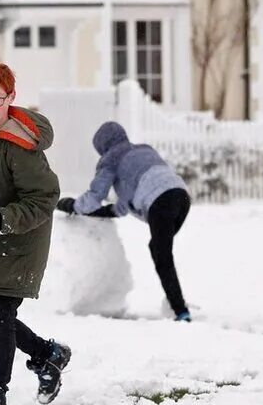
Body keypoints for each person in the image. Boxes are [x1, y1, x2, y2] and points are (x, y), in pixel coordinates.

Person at [0, 62, 71, 405]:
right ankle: (47, 354)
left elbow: (45, 196)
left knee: (2, 316)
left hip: (22, 238)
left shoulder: (20, 144)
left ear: (11, 97)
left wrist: (3, 218)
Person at [56, 121, 192, 322]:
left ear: (102, 147)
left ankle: (180, 311)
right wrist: (109, 211)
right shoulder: (143, 150)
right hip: (181, 196)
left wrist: (73, 206)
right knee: (160, 250)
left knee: (161, 254)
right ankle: (176, 303)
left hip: (160, 202)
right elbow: (131, 195)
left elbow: (95, 195)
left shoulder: (110, 159)